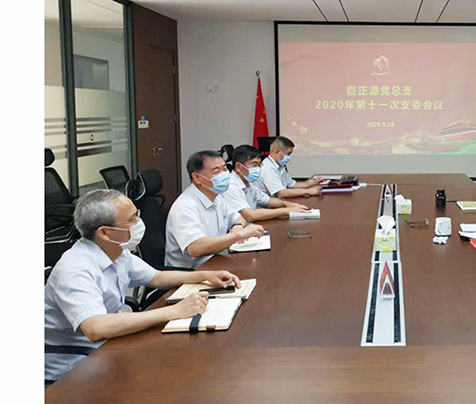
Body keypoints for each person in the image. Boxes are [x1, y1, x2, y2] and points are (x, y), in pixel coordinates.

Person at [45, 189, 242, 386]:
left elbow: (157, 277)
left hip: (107, 347)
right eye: (132, 219)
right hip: (73, 367)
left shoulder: (117, 251)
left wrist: (203, 276)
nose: (139, 223)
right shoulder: (75, 269)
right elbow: (96, 327)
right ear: (104, 233)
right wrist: (176, 311)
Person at [165, 150, 264, 269]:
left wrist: (236, 228)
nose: (224, 174)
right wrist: (238, 236)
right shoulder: (185, 207)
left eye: (225, 169)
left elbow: (238, 218)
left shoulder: (216, 197)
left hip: (217, 261)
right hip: (192, 273)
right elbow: (195, 248)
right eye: (216, 171)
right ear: (197, 178)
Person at [222, 144, 310, 221]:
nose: (258, 169)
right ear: (238, 167)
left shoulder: (248, 183)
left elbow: (267, 201)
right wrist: (286, 210)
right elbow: (250, 215)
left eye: (259, 165)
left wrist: (287, 204)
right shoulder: (230, 186)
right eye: (254, 165)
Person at [253, 136, 322, 198]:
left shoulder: (280, 166)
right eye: (288, 154)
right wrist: (309, 191)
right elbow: (281, 193)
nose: (289, 157)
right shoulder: (268, 168)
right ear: (277, 152)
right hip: (266, 206)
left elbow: (292, 184)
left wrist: (313, 183)